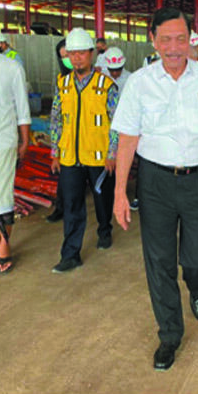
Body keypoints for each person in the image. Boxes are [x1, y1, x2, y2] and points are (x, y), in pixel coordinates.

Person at [111, 7, 198, 372]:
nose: (174, 47)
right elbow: (128, 138)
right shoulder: (139, 83)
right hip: (155, 183)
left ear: (191, 40)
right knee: (159, 260)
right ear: (154, 40)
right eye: (166, 39)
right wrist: (120, 191)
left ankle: (196, 286)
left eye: (181, 39)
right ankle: (169, 335)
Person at [50, 28, 118, 273]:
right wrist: (55, 151)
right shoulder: (63, 84)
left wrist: (113, 154)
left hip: (99, 157)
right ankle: (71, 254)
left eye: (82, 53)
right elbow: (56, 118)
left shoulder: (106, 86)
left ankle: (104, 229)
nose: (77, 58)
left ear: (91, 54)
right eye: (72, 53)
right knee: (72, 204)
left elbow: (117, 124)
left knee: (102, 199)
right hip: (70, 157)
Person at [0, 16, 31, 275]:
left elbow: (22, 108)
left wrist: (24, 140)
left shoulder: (11, 67)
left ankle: (4, 247)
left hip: (3, 142)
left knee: (1, 197)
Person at [46, 38, 73, 224]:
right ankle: (61, 208)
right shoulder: (61, 80)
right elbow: (56, 115)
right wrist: (55, 148)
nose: (68, 60)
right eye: (63, 57)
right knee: (65, 177)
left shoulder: (96, 77)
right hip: (67, 135)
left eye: (69, 55)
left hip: (91, 136)